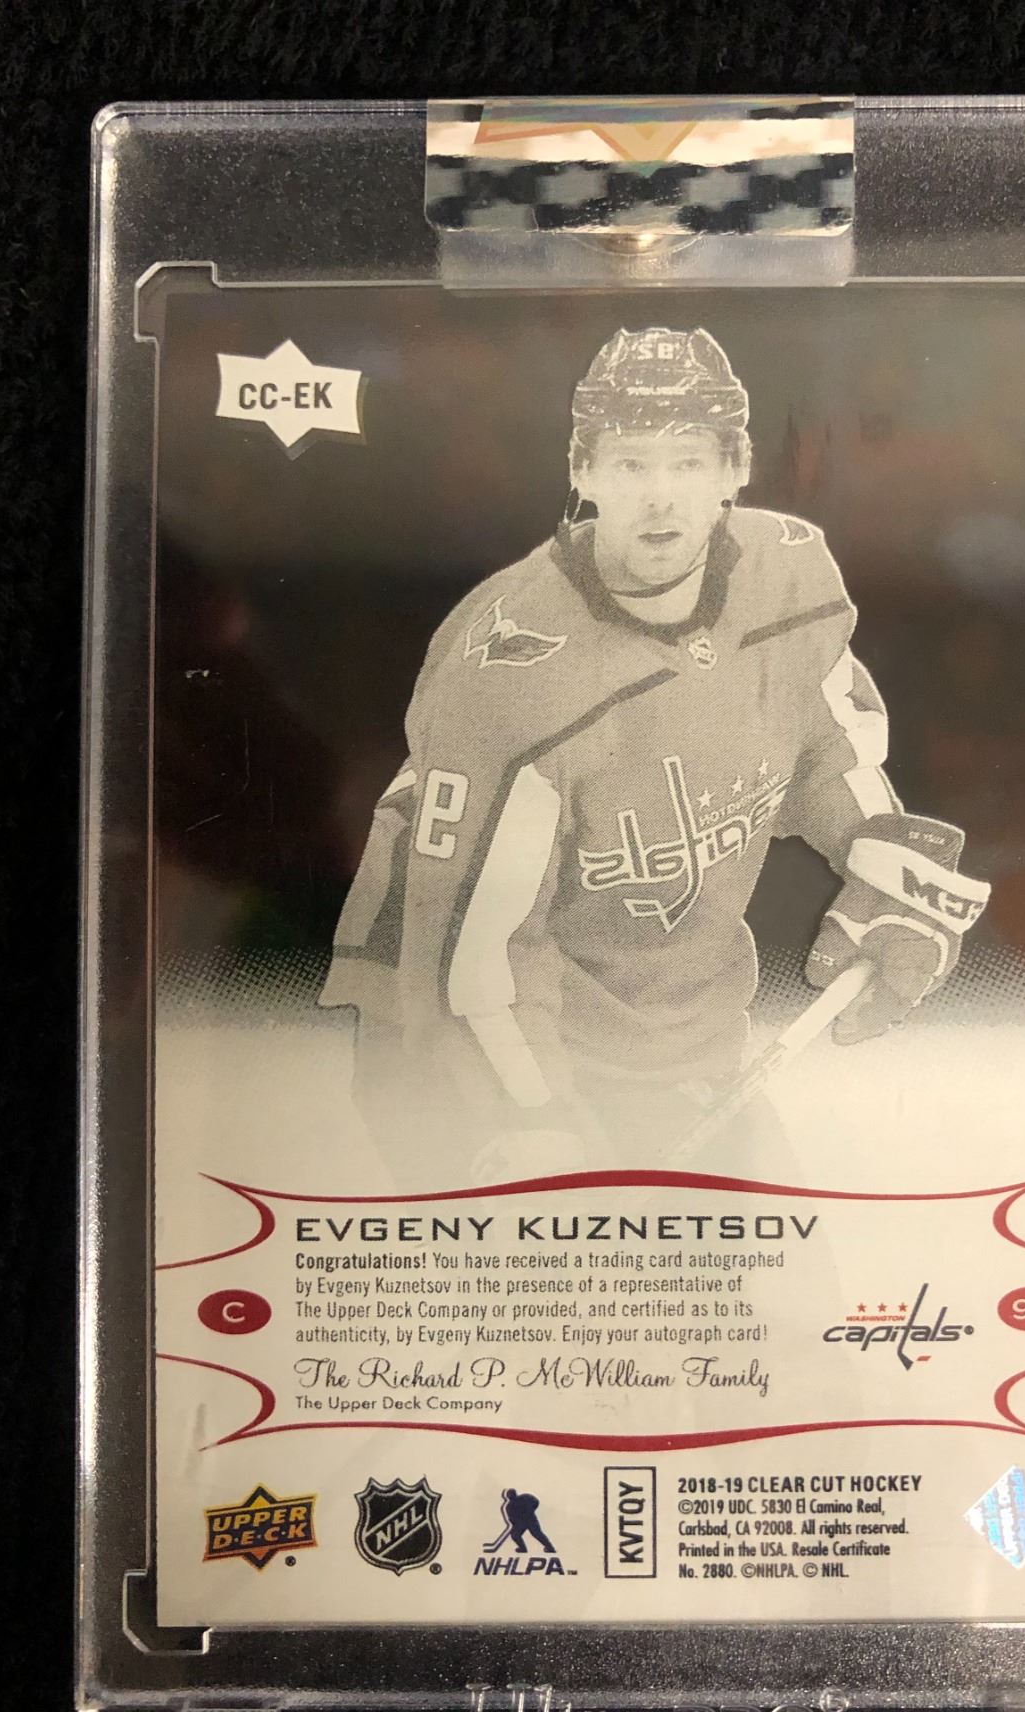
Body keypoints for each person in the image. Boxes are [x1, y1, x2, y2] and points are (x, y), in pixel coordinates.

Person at [320, 327, 988, 1182]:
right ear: (584, 472)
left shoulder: (788, 576)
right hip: (454, 1016)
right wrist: (534, 1122)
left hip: (666, 1018)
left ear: (734, 469)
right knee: (546, 1252)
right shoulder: (513, 673)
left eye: (688, 461)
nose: (661, 497)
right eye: (632, 463)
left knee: (770, 1267)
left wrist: (882, 869)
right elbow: (469, 957)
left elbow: (825, 752)